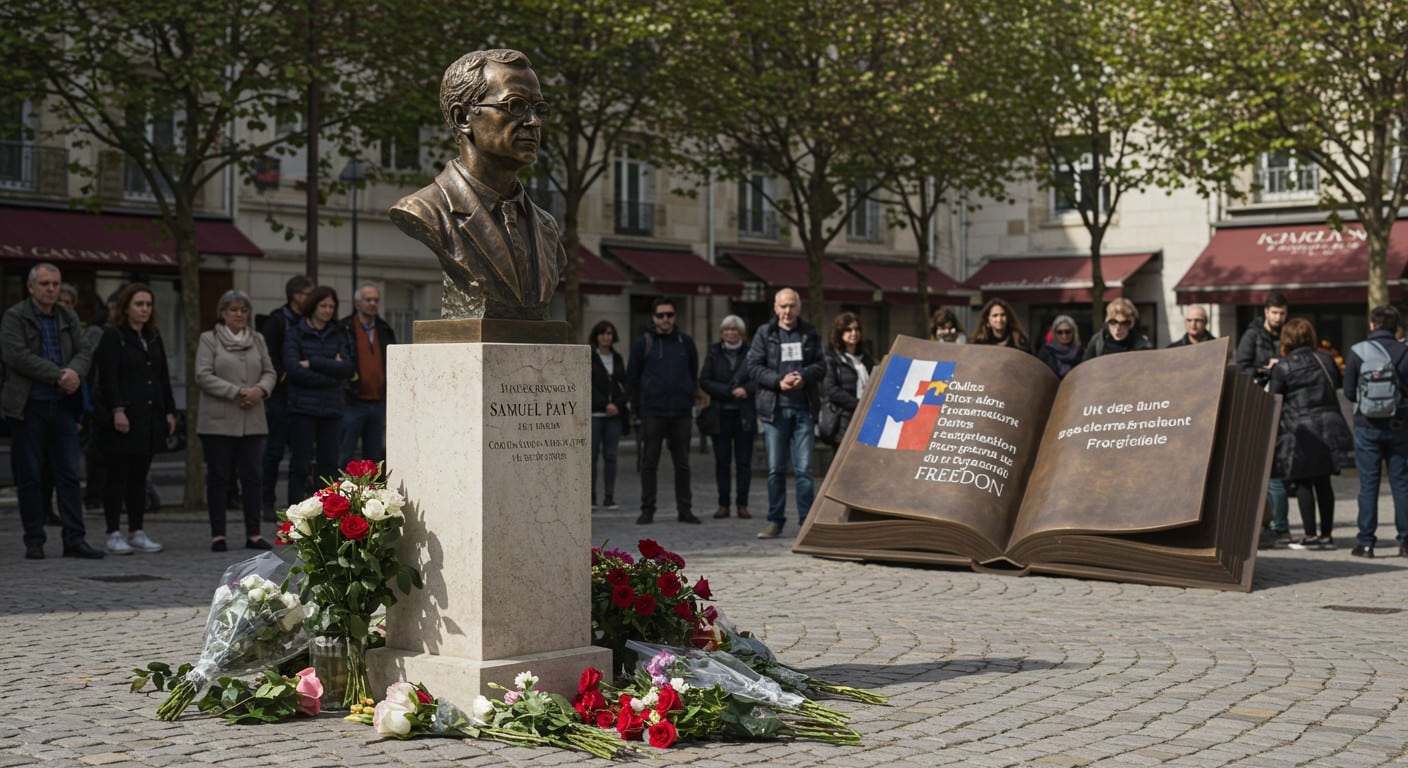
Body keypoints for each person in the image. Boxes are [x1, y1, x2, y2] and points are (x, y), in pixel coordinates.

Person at [389, 48, 565, 320]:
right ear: (463, 118)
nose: (533, 122)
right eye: (515, 106)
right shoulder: (427, 211)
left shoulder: (547, 228)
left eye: (539, 109)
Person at [2, 263, 101, 560]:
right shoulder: (15, 316)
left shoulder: (67, 316)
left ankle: (75, 539)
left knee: (69, 474)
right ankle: (34, 539)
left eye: (55, 284)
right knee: (30, 475)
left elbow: (85, 351)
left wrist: (73, 373)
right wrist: (58, 374)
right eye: (44, 284)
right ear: (31, 287)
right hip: (28, 406)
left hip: (62, 407)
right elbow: (16, 355)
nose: (51, 289)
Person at [92, 283, 176, 555]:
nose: (144, 309)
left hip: (148, 416)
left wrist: (169, 411)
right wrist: (117, 409)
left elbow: (162, 378)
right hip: (123, 415)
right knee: (118, 475)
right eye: (139, 304)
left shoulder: (153, 337)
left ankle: (137, 530)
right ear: (126, 307)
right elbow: (108, 376)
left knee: (140, 476)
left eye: (148, 305)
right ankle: (113, 531)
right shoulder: (113, 336)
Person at [196, 289, 277, 552]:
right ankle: (217, 534)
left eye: (244, 310)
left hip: (252, 418)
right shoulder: (209, 339)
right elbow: (203, 375)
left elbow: (270, 372)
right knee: (219, 477)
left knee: (253, 477)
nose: (239, 314)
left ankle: (253, 533)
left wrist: (259, 391)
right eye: (234, 310)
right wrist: (238, 391)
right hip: (218, 420)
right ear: (223, 313)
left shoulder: (258, 339)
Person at [747, 288, 826, 539]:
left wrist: (804, 377)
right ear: (775, 308)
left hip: (803, 409)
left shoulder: (810, 332)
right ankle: (775, 520)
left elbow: (821, 365)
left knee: (804, 470)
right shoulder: (765, 333)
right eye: (783, 306)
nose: (787, 311)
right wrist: (777, 381)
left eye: (791, 306)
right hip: (775, 410)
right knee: (775, 469)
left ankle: (806, 521)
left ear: (799, 308)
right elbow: (753, 367)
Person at [1268, 318, 1353, 551]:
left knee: (1303, 482)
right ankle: (1327, 535)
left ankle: (1310, 535)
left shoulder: (1282, 367)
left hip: (1300, 430)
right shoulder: (1326, 360)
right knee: (1324, 482)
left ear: (1287, 339)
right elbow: (1336, 383)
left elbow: (1275, 399)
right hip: (1328, 426)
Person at [626, 297, 700, 525]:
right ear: (653, 318)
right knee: (649, 463)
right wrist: (638, 409)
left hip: (680, 412)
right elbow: (633, 377)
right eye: (661, 315)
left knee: (683, 464)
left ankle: (685, 510)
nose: (665, 319)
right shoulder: (643, 343)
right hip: (653, 412)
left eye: (669, 315)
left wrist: (689, 399)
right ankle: (647, 509)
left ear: (675, 317)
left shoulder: (685, 342)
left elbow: (692, 371)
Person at [1344, 304, 1408, 558]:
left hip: (1367, 427)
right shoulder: (1405, 352)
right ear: (1396, 327)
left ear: (1372, 325)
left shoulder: (1357, 352)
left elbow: (1349, 391)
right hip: (1399, 426)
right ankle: (1405, 542)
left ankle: (1367, 543)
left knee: (1368, 485)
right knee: (1401, 484)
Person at [283, 286, 354, 506]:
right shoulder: (295, 332)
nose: (328, 310)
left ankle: (327, 515)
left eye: (331, 306)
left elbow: (349, 369)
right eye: (323, 305)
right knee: (300, 465)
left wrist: (314, 363)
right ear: (313, 306)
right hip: (302, 409)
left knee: (329, 466)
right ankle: (295, 515)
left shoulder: (340, 333)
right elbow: (294, 370)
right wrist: (332, 372)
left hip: (332, 409)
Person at [1238, 291, 1291, 547]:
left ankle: (1277, 526)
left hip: (1284, 406)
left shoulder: (1288, 334)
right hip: (1260, 403)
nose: (1278, 318)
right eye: (1275, 313)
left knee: (1275, 471)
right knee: (1267, 471)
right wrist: (1265, 369)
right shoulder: (1252, 335)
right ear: (1266, 312)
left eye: (1282, 313)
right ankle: (1272, 525)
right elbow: (1241, 368)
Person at [259, 274, 312, 518]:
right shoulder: (278, 321)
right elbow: (268, 355)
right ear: (295, 295)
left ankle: (299, 501)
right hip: (282, 393)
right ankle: (266, 501)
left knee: (302, 452)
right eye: (307, 294)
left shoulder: (308, 321)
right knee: (274, 450)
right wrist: (284, 374)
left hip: (303, 394)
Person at [699, 315, 756, 520]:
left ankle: (742, 504)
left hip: (744, 414)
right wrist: (726, 391)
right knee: (722, 461)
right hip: (720, 414)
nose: (731, 333)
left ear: (741, 333)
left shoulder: (751, 353)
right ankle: (723, 504)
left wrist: (746, 389)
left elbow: (759, 377)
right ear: (722, 333)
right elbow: (704, 380)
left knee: (743, 462)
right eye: (727, 330)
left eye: (734, 329)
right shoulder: (714, 352)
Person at [339, 283, 396, 467]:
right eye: (368, 299)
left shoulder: (385, 329)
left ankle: (373, 495)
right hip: (352, 402)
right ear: (357, 303)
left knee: (374, 459)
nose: (372, 303)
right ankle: (338, 495)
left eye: (376, 300)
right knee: (344, 455)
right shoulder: (345, 328)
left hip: (378, 402)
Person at [589, 320, 629, 510]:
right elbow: (588, 386)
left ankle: (609, 496)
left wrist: (617, 405)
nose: (606, 337)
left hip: (614, 415)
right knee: (592, 456)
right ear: (596, 336)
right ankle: (591, 497)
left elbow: (625, 386)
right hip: (595, 414)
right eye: (603, 333)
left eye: (610, 334)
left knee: (611, 455)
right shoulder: (590, 357)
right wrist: (604, 404)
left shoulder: (618, 358)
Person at [821, 311, 875, 445]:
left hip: (866, 418)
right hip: (843, 418)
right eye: (848, 329)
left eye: (857, 329)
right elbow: (831, 389)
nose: (854, 333)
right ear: (839, 333)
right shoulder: (832, 359)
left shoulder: (867, 360)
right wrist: (858, 405)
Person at [1083, 298, 1153, 360]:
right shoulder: (1098, 341)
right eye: (1113, 322)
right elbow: (1085, 368)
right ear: (1107, 321)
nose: (1118, 327)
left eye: (1124, 323)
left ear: (1132, 324)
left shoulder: (1141, 345)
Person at [1037, 315, 1082, 379]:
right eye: (1060, 332)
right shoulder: (1046, 352)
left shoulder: (1080, 352)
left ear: (1073, 332)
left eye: (1067, 332)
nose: (1064, 336)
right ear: (1054, 333)